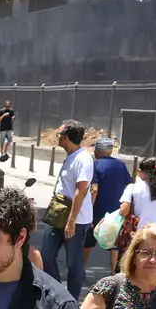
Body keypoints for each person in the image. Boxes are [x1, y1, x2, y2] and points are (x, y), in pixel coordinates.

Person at [37, 120, 95, 299]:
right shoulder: (71, 156)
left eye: (59, 134)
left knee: (73, 264)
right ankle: (58, 295)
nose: (57, 137)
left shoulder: (83, 159)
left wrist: (71, 221)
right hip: (58, 215)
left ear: (67, 137)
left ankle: (71, 301)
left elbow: (81, 190)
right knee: (46, 256)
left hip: (75, 220)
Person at [85, 137, 133, 267]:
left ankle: (80, 270)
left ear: (97, 151)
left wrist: (89, 210)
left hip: (98, 210)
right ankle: (114, 272)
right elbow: (129, 185)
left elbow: (94, 190)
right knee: (116, 244)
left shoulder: (95, 165)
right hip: (117, 212)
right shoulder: (120, 164)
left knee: (88, 242)